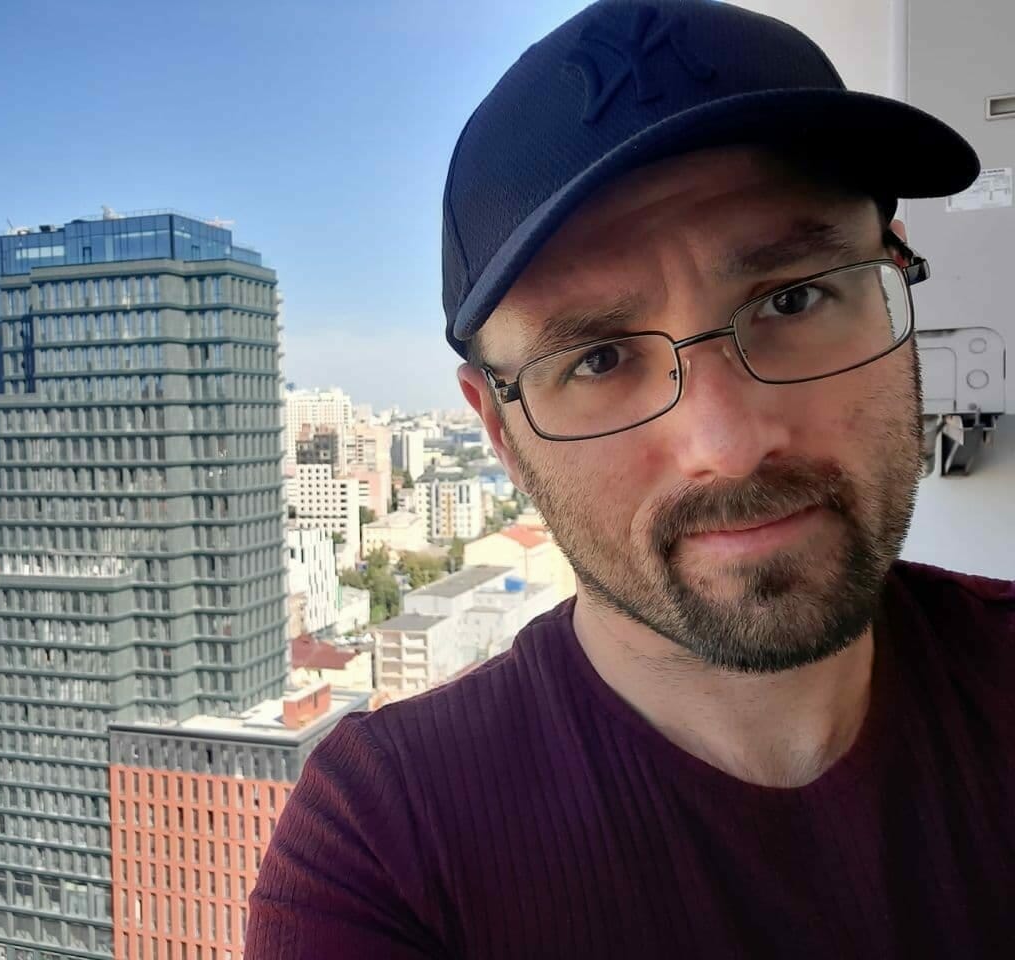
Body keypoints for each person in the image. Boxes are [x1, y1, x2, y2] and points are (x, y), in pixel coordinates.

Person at [246, 1, 1015, 957]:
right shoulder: (390, 852)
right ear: (497, 429)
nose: (728, 443)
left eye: (794, 297)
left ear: (895, 270)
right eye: (602, 359)